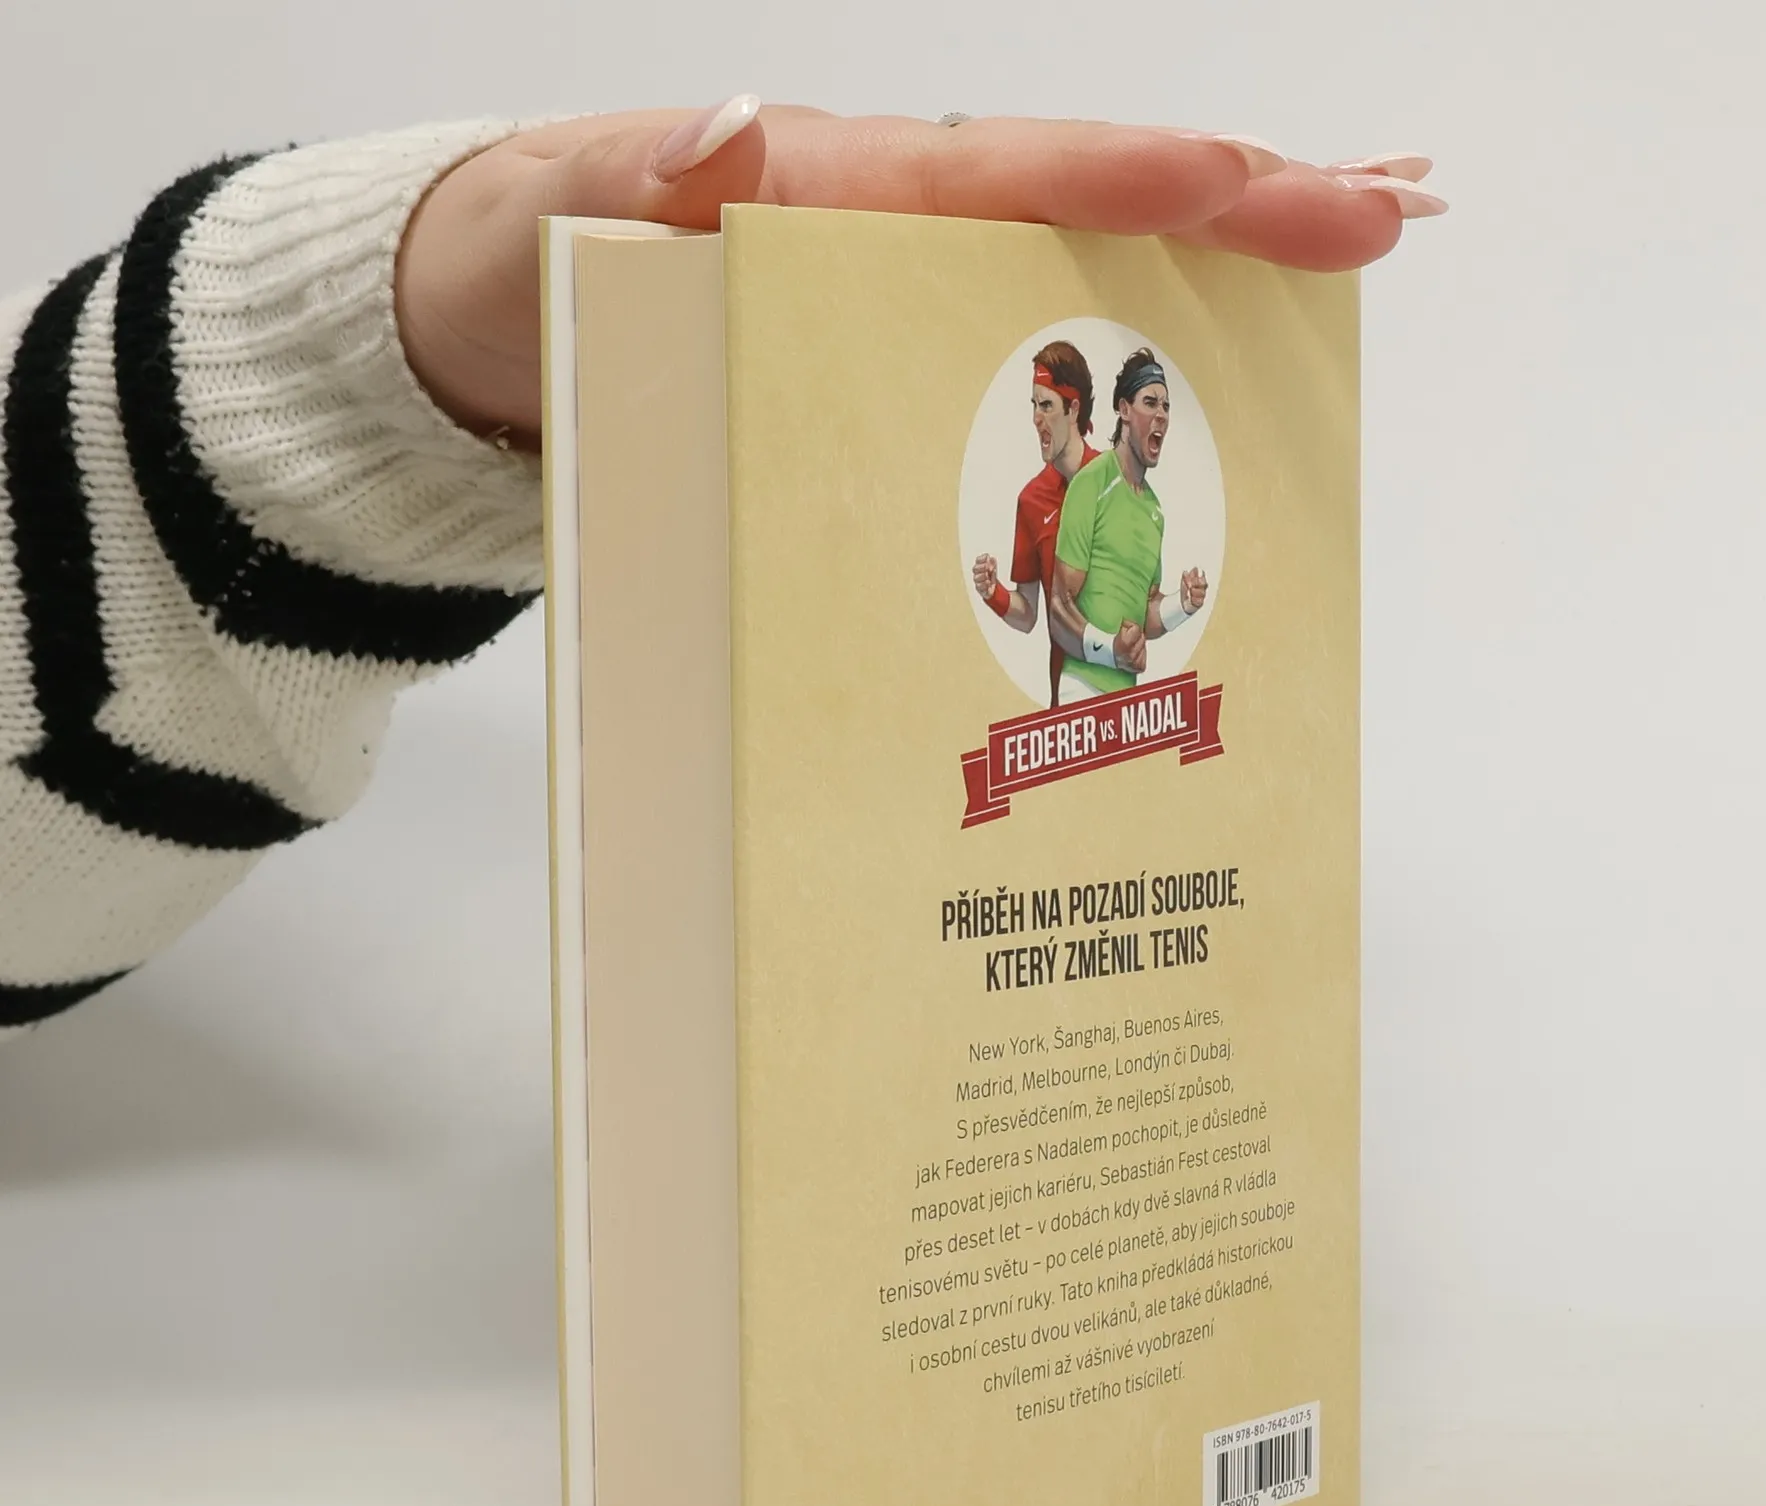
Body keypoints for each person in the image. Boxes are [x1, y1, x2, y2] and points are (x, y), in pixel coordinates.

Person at [0, 102, 1443, 1034]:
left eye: (1087, 407)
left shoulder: (1142, 507)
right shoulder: (1032, 496)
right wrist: (295, 400)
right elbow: (1037, 614)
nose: (1080, 424)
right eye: (1071, 407)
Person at [1048, 347, 1207, 695]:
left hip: (1127, 701)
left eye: (1166, 406)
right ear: (1124, 409)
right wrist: (1111, 652)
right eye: (1150, 402)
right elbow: (1059, 607)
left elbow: (1144, 612)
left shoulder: (1154, 511)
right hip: (1081, 688)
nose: (1161, 415)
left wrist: (1182, 604)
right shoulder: (1092, 482)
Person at [971, 339, 1102, 707]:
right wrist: (993, 592)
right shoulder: (1031, 500)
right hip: (1067, 699)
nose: (1036, 418)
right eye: (1034, 405)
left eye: (1046, 405)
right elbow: (1028, 615)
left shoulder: (1114, 480)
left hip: (1121, 694)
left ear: (1073, 409)